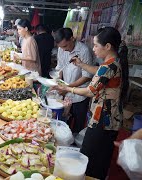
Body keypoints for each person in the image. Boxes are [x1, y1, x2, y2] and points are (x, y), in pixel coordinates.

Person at [53, 27, 129, 179]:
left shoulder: (109, 66)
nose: (93, 49)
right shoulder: (113, 63)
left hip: (103, 118)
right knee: (102, 154)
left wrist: (68, 88)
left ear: (107, 46)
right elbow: (98, 70)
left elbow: (89, 91)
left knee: (89, 154)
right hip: (111, 117)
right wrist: (81, 64)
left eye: (95, 45)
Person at [54, 28, 93, 133]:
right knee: (65, 120)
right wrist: (57, 81)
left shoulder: (84, 51)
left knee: (78, 124)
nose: (64, 49)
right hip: (66, 92)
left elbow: (87, 76)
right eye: (61, 47)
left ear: (72, 38)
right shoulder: (61, 49)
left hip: (80, 94)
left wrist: (67, 88)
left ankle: (75, 146)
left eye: (65, 46)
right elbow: (60, 67)